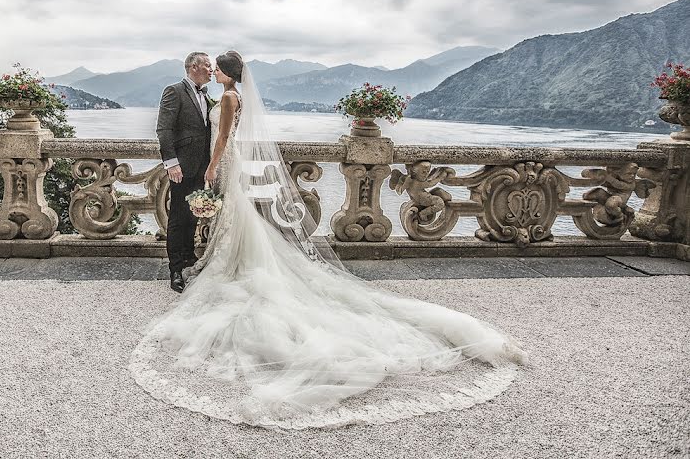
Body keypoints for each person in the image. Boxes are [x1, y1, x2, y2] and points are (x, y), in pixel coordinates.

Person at [136, 51, 526, 429]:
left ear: (224, 72)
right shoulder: (207, 94)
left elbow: (221, 140)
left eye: (214, 67)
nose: (210, 71)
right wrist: (185, 162)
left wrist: (211, 169)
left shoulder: (227, 96)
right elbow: (175, 130)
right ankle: (193, 263)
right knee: (211, 224)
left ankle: (220, 266)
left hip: (221, 167)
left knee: (232, 225)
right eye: (205, 66)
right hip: (206, 167)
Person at [155, 52, 213, 293]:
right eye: (208, 65)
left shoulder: (207, 95)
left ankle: (189, 258)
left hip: (202, 166)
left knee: (193, 214)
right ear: (193, 67)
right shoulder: (174, 91)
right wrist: (171, 162)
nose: (211, 70)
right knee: (178, 218)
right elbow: (164, 129)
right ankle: (175, 269)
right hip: (182, 165)